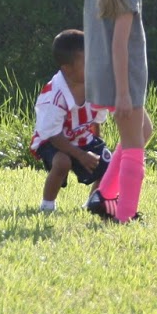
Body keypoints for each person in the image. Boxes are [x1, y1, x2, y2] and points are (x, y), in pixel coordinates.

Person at [82, 0, 151, 224]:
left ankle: (104, 194)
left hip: (103, 78)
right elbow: (119, 46)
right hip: (124, 81)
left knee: (144, 130)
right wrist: (123, 93)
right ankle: (125, 215)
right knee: (135, 148)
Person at [30, 29, 111, 212]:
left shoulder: (96, 87)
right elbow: (53, 135)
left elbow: (96, 120)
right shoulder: (54, 96)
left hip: (81, 137)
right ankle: (47, 205)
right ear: (67, 69)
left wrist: (97, 144)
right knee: (63, 162)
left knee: (108, 164)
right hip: (52, 141)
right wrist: (81, 155)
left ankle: (93, 203)